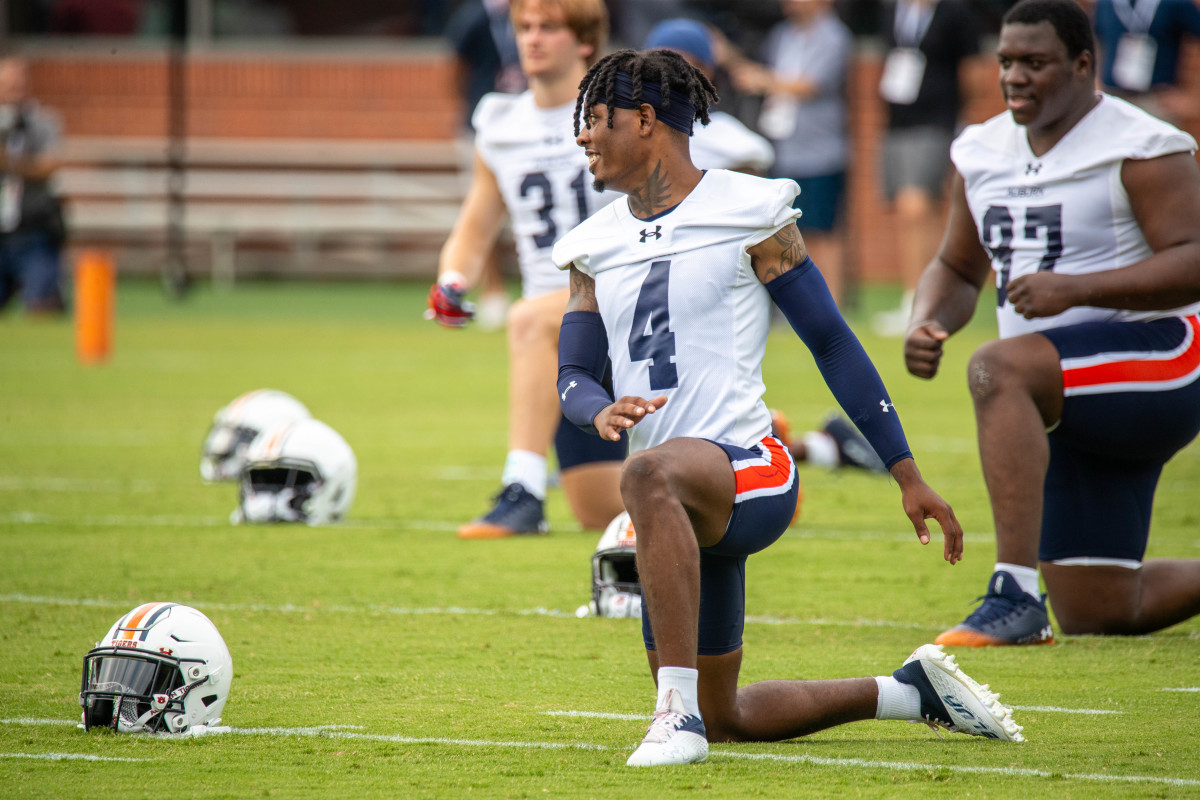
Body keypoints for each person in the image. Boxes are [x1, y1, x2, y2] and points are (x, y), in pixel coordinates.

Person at [553, 47, 1022, 767]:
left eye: (597, 118)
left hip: (750, 470)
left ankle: (671, 718)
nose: (582, 134)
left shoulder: (750, 210)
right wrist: (597, 412)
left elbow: (832, 341)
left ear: (645, 121)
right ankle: (906, 693)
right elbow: (574, 374)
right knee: (730, 714)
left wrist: (904, 470)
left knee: (645, 475)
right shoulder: (592, 244)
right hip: (672, 504)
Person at [903, 0, 1200, 646]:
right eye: (1007, 61)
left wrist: (1078, 289)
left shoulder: (1142, 143)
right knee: (1099, 609)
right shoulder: (981, 150)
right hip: (1061, 388)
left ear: (1083, 65)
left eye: (1035, 63)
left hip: (1162, 357)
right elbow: (957, 269)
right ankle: (1046, 596)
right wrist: (928, 321)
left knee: (998, 367)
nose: (1014, 76)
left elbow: (1194, 259)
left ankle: (1013, 591)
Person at [645, 16, 887, 474]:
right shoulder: (630, 132)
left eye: (685, 63)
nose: (671, 75)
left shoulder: (734, 142)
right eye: (660, 63)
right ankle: (821, 447)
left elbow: (752, 215)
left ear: (707, 71)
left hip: (705, 282)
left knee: (705, 412)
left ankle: (783, 451)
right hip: (648, 275)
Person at [426, 0, 627, 538]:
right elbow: (476, 223)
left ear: (584, 41)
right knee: (602, 513)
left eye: (549, 28)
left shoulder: (624, 113)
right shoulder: (500, 123)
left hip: (629, 306)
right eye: (524, 28)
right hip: (564, 337)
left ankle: (523, 490)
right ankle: (748, 460)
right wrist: (452, 280)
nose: (532, 39)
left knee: (527, 318)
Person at [871, 0, 987, 336]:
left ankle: (917, 301)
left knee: (915, 207)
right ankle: (933, 298)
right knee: (921, 212)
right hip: (897, 124)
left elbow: (972, 72)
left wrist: (962, 120)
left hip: (937, 121)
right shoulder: (893, 11)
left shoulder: (955, 13)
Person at [731, 0, 854, 307]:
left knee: (823, 231)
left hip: (820, 150)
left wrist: (763, 80)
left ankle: (832, 305)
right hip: (784, 148)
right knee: (788, 231)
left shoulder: (834, 36)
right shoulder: (781, 35)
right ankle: (803, 305)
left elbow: (811, 85)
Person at [0, 54, 66, 315]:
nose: (15, 90)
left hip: (31, 231)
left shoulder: (42, 121)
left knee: (42, 309)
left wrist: (9, 163)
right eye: (7, 84)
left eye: (19, 83)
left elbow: (49, 166)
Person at [1093, 0, 1200, 125]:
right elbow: (1096, 42)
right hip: (1113, 97)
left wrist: (1193, 99)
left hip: (1156, 102)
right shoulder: (1106, 4)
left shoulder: (1175, 3)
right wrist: (1096, 86)